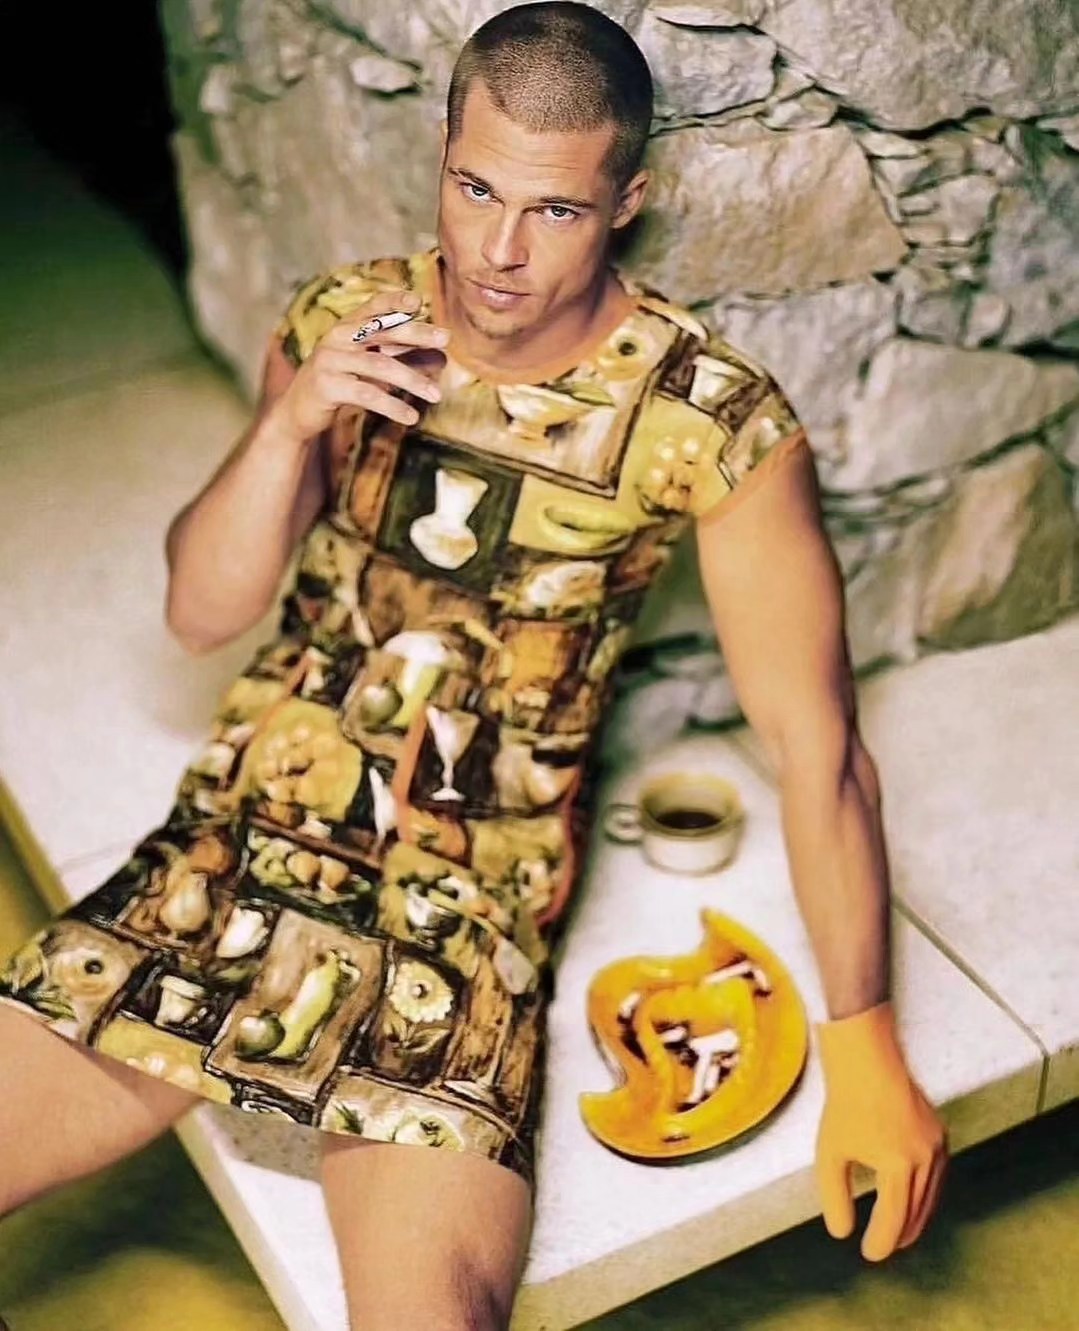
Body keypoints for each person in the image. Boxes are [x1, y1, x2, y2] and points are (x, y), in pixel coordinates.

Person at [0, 2, 949, 1326]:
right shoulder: (348, 322)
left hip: (470, 894)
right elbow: (200, 615)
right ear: (443, 159)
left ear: (626, 204)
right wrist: (290, 425)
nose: (500, 252)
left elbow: (819, 749)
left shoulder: (711, 422)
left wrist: (865, 1042)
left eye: (555, 210)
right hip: (246, 830)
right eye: (476, 190)